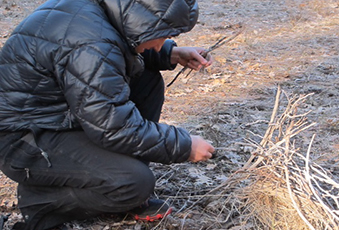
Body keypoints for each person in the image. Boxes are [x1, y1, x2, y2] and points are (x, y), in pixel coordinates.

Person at [0, 0, 215, 229]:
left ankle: (117, 170)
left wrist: (172, 54)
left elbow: (115, 50)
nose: (161, 43)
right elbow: (114, 126)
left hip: (57, 117)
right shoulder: (90, 41)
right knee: (134, 183)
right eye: (162, 34)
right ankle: (40, 201)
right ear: (142, 20)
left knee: (147, 81)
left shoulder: (102, 13)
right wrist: (184, 146)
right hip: (24, 140)